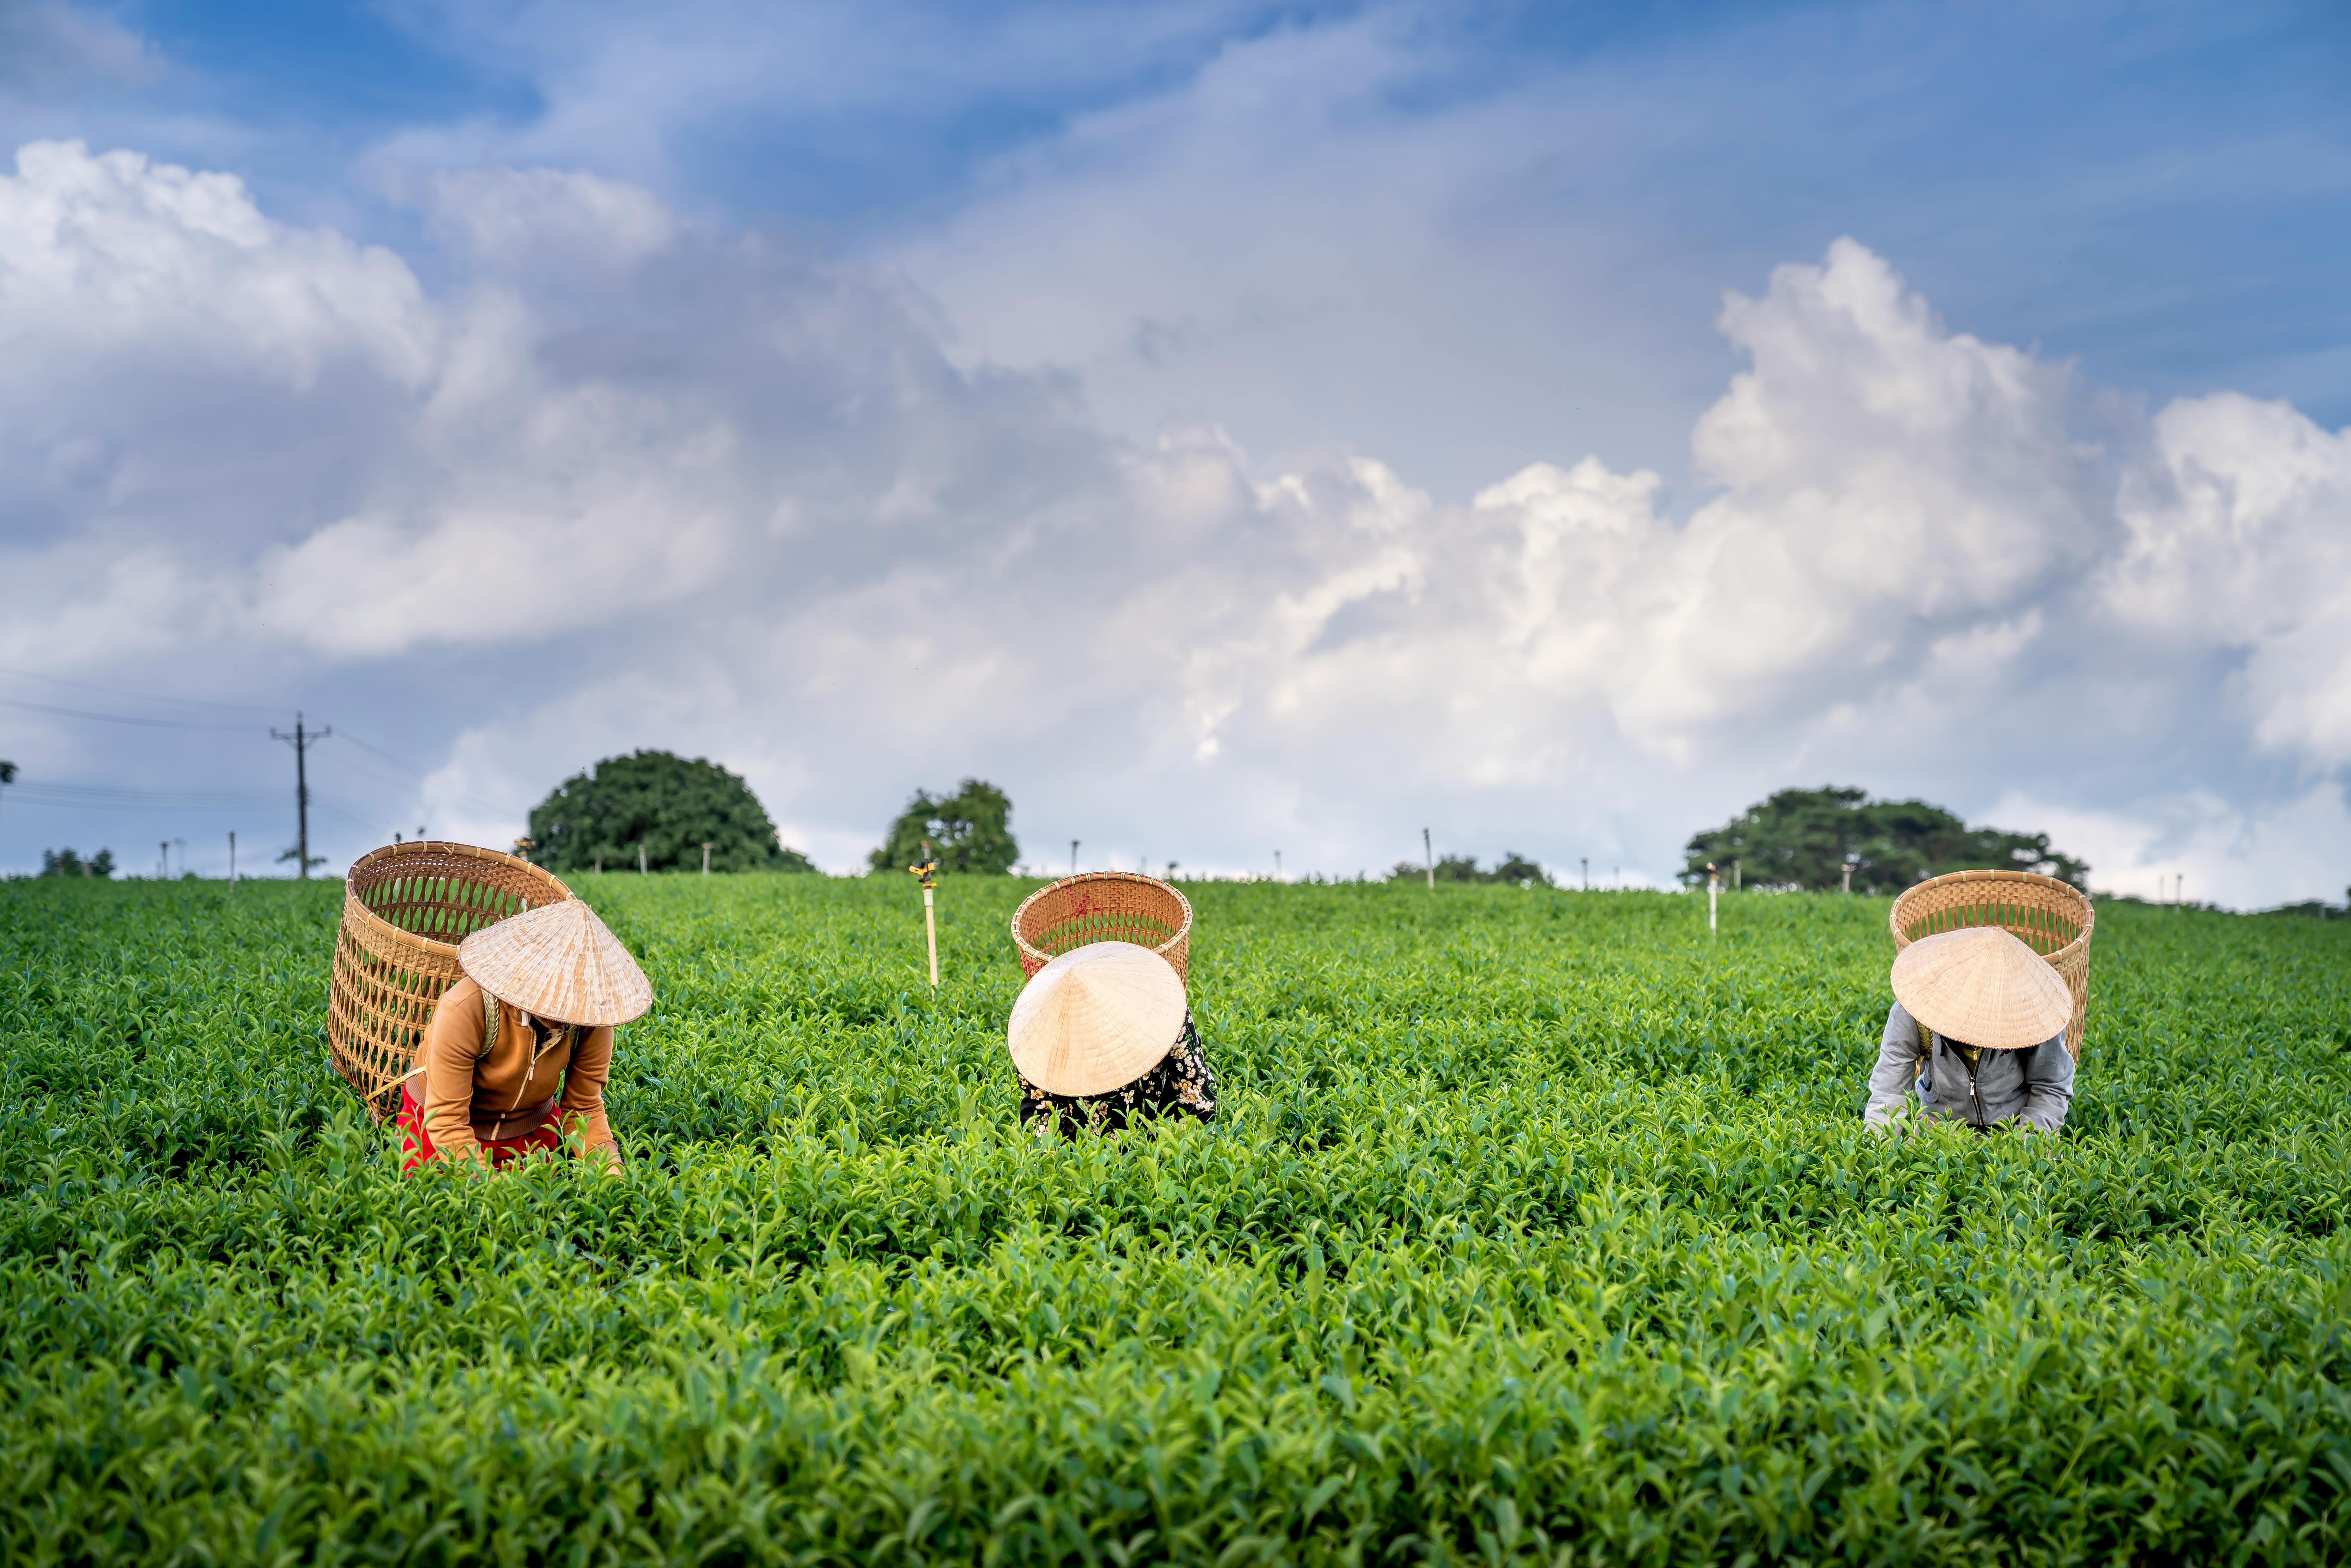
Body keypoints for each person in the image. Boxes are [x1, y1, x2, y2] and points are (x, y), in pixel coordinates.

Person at [399, 897, 653, 1173]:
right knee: (439, 1189)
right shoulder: (465, 1009)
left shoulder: (593, 1015)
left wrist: (611, 1174)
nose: (564, 1009)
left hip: (529, 1127)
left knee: (540, 1193)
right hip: (439, 1125)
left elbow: (584, 1109)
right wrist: (486, 1188)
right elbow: (447, 1121)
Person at [1865, 925, 2075, 1134]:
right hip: (1940, 1121)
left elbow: (2051, 1086)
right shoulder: (1913, 1009)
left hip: (2013, 1124)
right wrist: (1876, 1144)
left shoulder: (2035, 1015)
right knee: (1916, 1148)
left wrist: (2029, 1140)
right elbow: (1889, 1089)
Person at [1008, 940, 1217, 1138]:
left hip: (1153, 1134)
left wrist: (1193, 1144)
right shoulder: (1041, 1032)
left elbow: (1195, 1090)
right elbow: (1039, 1108)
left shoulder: (1165, 1008)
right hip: (1086, 1145)